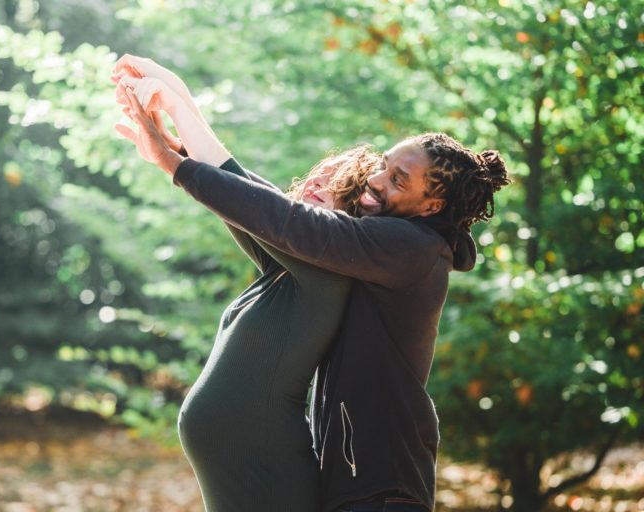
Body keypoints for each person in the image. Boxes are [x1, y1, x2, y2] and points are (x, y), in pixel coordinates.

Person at [113, 55, 511, 512]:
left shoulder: (411, 248)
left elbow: (292, 222)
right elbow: (258, 203)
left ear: (431, 206)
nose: (377, 181)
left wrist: (177, 165)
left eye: (398, 180)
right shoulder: (381, 251)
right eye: (383, 166)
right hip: (353, 484)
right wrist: (179, 119)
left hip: (382, 489)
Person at [114, 63, 388, 511]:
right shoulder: (284, 266)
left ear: (354, 212)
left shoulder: (327, 275)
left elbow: (237, 187)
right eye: (319, 174)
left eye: (337, 185)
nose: (318, 183)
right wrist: (174, 109)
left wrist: (176, 119)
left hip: (269, 478)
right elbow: (233, 185)